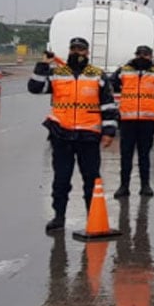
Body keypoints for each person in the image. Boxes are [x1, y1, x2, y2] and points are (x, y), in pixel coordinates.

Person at [27, 37, 118, 233]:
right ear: (69, 50)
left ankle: (92, 217)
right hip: (62, 134)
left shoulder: (97, 75)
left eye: (81, 49)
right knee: (61, 179)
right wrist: (43, 65)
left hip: (88, 135)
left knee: (91, 179)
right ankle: (59, 217)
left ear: (88, 52)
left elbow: (109, 106)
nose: (77, 52)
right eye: (74, 49)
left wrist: (109, 132)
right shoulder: (57, 73)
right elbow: (35, 88)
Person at [110, 45, 154, 198]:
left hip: (147, 120)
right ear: (135, 55)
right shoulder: (124, 71)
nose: (142, 57)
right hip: (127, 120)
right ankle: (123, 186)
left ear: (151, 56)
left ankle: (145, 185)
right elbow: (110, 86)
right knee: (126, 155)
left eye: (146, 55)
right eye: (140, 54)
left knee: (144, 155)